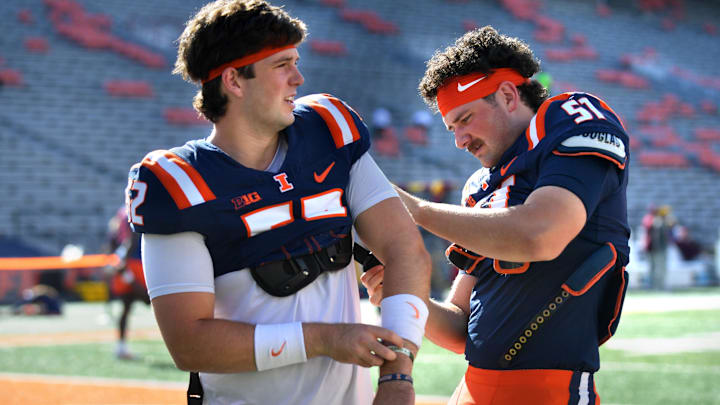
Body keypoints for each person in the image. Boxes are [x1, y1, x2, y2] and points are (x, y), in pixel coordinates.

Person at [123, 1, 431, 404]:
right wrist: (325, 338)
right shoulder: (178, 183)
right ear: (234, 80)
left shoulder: (329, 131)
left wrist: (397, 376)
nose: (298, 78)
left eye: (296, 61)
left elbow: (405, 248)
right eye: (282, 65)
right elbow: (189, 342)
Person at [362, 26, 630, 404]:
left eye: (466, 118)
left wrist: (417, 210)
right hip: (472, 389)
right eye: (451, 127)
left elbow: (540, 235)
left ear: (507, 95)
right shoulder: (480, 186)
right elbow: (459, 328)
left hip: (550, 391)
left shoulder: (572, 119)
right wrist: (406, 293)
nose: (459, 139)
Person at [104, 206, 150, 360]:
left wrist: (117, 261)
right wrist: (122, 262)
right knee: (150, 300)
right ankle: (121, 346)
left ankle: (121, 346)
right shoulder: (130, 212)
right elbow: (132, 238)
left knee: (127, 305)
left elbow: (114, 242)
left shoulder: (121, 214)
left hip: (126, 264)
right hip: (135, 263)